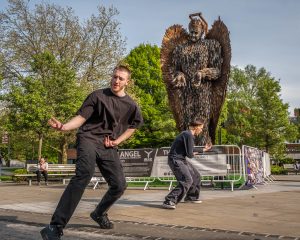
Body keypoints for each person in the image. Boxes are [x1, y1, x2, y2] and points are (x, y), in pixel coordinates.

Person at [41, 64, 143, 240]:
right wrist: (64, 127)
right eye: (114, 76)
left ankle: (99, 213)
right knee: (83, 175)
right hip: (88, 138)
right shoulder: (98, 96)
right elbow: (81, 118)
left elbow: (134, 125)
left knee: (119, 184)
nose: (116, 80)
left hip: (108, 145)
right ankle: (55, 226)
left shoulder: (131, 105)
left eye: (120, 78)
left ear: (127, 82)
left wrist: (118, 141)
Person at [162, 118, 211, 209]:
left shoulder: (187, 134)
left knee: (196, 176)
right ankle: (169, 200)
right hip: (175, 160)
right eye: (201, 128)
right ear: (196, 127)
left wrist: (203, 149)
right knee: (187, 180)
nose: (201, 130)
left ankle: (191, 197)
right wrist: (194, 153)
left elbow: (190, 151)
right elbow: (190, 154)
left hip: (181, 159)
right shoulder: (188, 135)